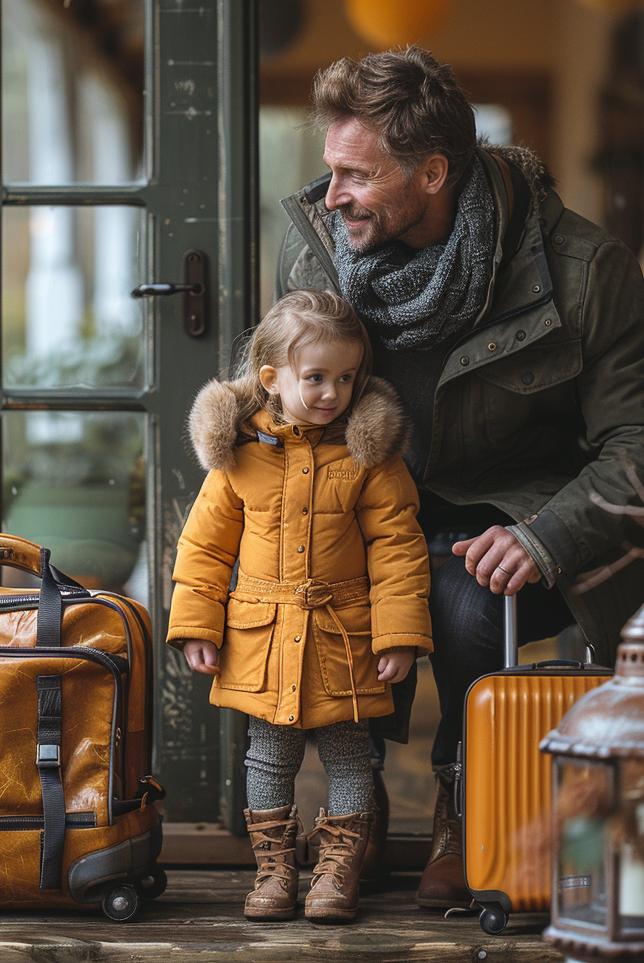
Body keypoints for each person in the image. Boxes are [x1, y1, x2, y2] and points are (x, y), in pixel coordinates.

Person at [276, 47, 644, 908]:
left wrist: (548, 537)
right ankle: (352, 812)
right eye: (330, 171)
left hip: (524, 516)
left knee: (465, 604)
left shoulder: (580, 268)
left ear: (432, 172)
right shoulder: (322, 251)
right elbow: (280, 389)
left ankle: (466, 809)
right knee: (304, 580)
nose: (332, 196)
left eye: (356, 174)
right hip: (374, 509)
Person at [167, 289, 433, 923]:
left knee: (350, 753)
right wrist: (198, 626)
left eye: (346, 378)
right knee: (269, 754)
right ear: (272, 379)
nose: (331, 393)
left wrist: (396, 635)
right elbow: (203, 547)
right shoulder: (240, 459)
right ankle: (274, 870)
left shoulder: (370, 458)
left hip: (343, 634)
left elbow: (397, 545)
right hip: (262, 634)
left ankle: (339, 872)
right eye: (315, 378)